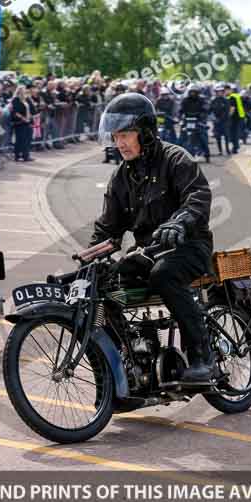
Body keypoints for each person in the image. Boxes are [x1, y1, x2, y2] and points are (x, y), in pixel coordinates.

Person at [92, 92, 214, 384]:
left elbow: (198, 195)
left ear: (145, 132)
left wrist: (178, 223)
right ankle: (136, 359)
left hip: (188, 245)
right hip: (147, 252)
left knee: (164, 275)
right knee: (107, 284)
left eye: (125, 135)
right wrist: (88, 261)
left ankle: (202, 356)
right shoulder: (121, 176)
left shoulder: (174, 158)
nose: (119, 143)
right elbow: (108, 228)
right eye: (115, 136)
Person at [179, 83, 210, 163]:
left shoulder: (202, 100)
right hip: (187, 121)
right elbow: (180, 110)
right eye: (191, 92)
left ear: (198, 92)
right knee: (181, 138)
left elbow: (205, 109)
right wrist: (180, 117)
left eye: (195, 92)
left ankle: (207, 154)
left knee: (203, 136)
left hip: (198, 121)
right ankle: (178, 155)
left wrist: (202, 116)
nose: (193, 93)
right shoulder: (185, 100)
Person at [11, 85, 34, 162]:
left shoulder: (27, 99)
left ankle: (26, 155)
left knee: (28, 138)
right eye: (22, 90)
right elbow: (15, 112)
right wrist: (23, 118)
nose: (24, 91)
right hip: (20, 122)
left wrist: (30, 99)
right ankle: (17, 155)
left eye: (24, 90)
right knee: (20, 139)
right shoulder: (15, 100)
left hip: (28, 122)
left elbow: (32, 110)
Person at [209, 83, 230, 156]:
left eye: (221, 91)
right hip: (216, 122)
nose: (219, 93)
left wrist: (221, 119)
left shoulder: (226, 100)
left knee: (227, 136)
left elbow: (227, 111)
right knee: (218, 137)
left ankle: (227, 149)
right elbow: (210, 110)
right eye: (218, 92)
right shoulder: (213, 100)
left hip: (225, 121)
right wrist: (213, 118)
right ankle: (220, 151)